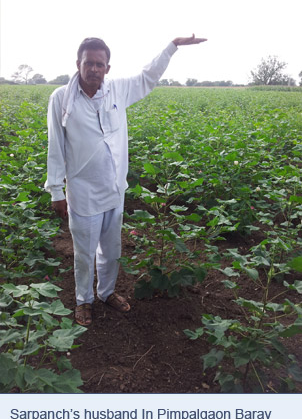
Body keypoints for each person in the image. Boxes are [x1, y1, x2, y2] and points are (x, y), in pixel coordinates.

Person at [45, 34, 207, 327]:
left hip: (114, 190)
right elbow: (55, 146)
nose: (93, 68)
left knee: (111, 249)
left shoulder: (117, 91)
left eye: (99, 64)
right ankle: (84, 301)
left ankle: (106, 293)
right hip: (82, 192)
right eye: (88, 62)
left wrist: (172, 47)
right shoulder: (61, 99)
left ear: (108, 68)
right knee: (84, 253)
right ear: (78, 64)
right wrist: (56, 190)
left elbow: (148, 77)